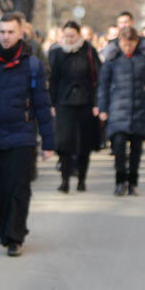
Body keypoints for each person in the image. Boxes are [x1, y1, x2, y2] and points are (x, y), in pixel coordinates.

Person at [0, 11, 54, 257]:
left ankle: (15, 235)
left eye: (11, 32)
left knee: (18, 187)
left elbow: (42, 105)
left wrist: (48, 141)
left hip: (22, 135)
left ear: (21, 33)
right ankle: (4, 227)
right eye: (2, 32)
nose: (6, 37)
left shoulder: (33, 65)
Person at [97, 26, 145, 196]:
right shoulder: (112, 58)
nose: (127, 48)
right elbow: (103, 85)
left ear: (136, 42)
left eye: (131, 44)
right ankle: (120, 181)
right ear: (119, 42)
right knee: (118, 146)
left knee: (136, 149)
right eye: (124, 44)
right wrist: (102, 107)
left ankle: (133, 183)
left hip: (139, 108)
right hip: (117, 108)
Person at [48, 20, 102, 193]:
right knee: (64, 143)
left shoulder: (89, 51)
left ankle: (81, 179)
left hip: (85, 103)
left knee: (83, 144)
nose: (70, 39)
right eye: (67, 36)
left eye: (72, 36)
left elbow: (97, 78)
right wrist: (52, 103)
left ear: (79, 35)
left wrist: (97, 103)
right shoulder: (57, 53)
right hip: (64, 103)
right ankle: (64, 180)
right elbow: (53, 80)